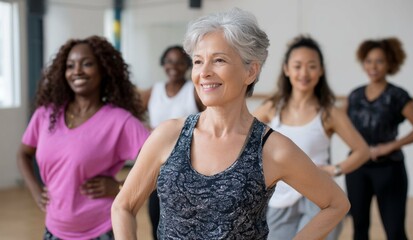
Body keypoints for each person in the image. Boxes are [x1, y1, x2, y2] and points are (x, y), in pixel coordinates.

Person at [112, 8, 350, 240]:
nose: (203, 72)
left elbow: (335, 204)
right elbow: (123, 206)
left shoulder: (273, 149)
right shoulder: (168, 135)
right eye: (197, 61)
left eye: (218, 60)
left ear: (251, 71)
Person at [17, 35, 150, 240]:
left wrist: (119, 187)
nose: (77, 71)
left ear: (104, 70)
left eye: (87, 64)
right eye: (70, 66)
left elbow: (160, 164)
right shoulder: (45, 114)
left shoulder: (119, 121)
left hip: (101, 228)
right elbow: (23, 154)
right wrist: (36, 191)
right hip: (54, 229)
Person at [253, 35, 369, 240]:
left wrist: (335, 169)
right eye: (297, 66)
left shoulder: (329, 112)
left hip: (319, 199)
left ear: (321, 70)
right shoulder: (272, 108)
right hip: (280, 198)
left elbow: (362, 150)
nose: (304, 73)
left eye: (312, 66)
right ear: (287, 69)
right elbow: (242, 137)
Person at [345, 37, 413, 240]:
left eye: (379, 61)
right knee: (359, 229)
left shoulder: (398, 95)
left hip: (389, 170)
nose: (372, 66)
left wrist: (389, 147)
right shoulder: (355, 95)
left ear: (390, 63)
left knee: (395, 231)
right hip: (358, 169)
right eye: (368, 60)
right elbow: (342, 128)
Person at [138, 45, 205, 239]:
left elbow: (212, 119)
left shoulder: (194, 91)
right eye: (169, 61)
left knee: (187, 223)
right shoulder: (154, 91)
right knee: (156, 218)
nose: (174, 66)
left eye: (179, 61)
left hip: (190, 169)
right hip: (158, 168)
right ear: (163, 64)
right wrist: (146, 133)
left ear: (187, 65)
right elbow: (130, 116)